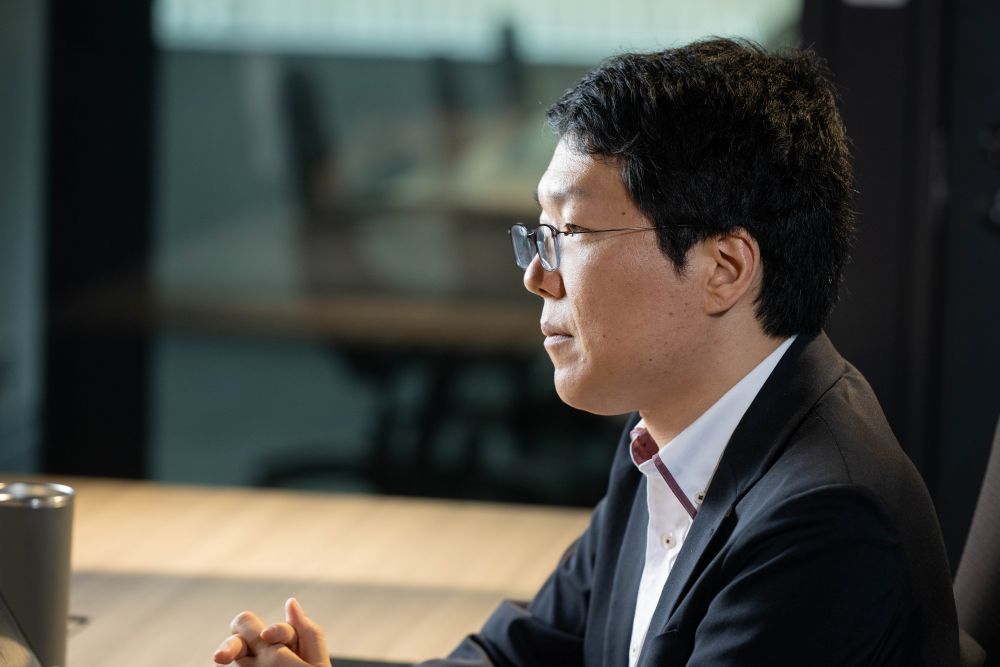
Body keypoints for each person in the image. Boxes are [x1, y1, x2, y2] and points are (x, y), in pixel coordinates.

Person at [212, 38, 960, 667]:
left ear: (724, 268)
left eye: (570, 234)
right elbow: (522, 653)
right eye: (539, 234)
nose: (538, 275)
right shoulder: (666, 440)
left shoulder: (823, 524)